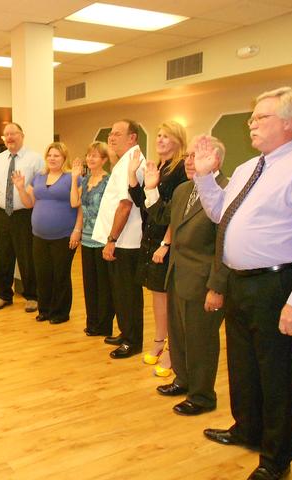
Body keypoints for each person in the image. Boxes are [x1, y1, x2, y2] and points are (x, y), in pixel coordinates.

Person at [194, 87, 292, 480]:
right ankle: (247, 429)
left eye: (260, 118)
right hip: (241, 283)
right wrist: (205, 178)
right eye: (252, 117)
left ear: (289, 123)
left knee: (275, 373)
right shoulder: (247, 168)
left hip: (277, 286)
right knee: (242, 366)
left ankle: (276, 458)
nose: (251, 123)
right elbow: (222, 214)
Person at [144, 135, 229, 416]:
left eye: (195, 155)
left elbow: (224, 245)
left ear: (215, 159)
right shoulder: (183, 190)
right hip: (178, 275)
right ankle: (183, 380)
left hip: (203, 280)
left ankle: (203, 395)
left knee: (201, 340)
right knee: (179, 335)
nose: (189, 161)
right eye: (189, 156)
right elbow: (161, 218)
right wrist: (152, 189)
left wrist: (216, 286)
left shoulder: (226, 191)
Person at [129, 121, 188, 377]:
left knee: (169, 299)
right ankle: (158, 341)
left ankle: (173, 352)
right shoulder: (159, 166)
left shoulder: (181, 168)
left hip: (167, 241)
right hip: (150, 237)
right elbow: (144, 203)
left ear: (178, 140)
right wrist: (133, 175)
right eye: (159, 135)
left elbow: (177, 211)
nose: (161, 140)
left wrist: (166, 243)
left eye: (166, 136)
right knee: (157, 296)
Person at [0, 122, 43, 312]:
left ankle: (32, 296)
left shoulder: (35, 159)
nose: (9, 137)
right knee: (1, 255)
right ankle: (3, 294)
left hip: (24, 214)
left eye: (13, 134)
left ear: (22, 135)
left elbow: (42, 187)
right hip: (1, 213)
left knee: (27, 256)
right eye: (6, 135)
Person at [91, 119, 145, 359]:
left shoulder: (134, 162)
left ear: (132, 137)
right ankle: (125, 333)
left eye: (117, 134)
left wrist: (112, 239)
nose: (111, 138)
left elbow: (125, 205)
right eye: (110, 134)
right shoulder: (124, 162)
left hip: (125, 241)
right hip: (118, 240)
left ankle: (133, 341)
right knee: (120, 293)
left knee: (128, 294)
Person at [12, 142, 80, 324]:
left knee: (60, 275)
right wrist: (20, 188)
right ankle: (45, 310)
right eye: (50, 155)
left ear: (64, 158)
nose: (52, 158)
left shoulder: (71, 178)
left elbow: (80, 206)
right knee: (42, 274)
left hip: (64, 235)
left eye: (57, 155)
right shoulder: (39, 178)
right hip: (39, 235)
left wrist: (77, 230)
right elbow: (29, 203)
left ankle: (60, 313)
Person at [70, 141, 114, 336]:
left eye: (95, 155)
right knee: (90, 284)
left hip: (102, 238)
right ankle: (92, 323)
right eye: (89, 155)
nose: (91, 158)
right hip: (87, 238)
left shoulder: (108, 180)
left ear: (104, 159)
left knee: (104, 285)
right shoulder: (86, 179)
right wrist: (74, 179)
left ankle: (104, 325)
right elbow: (75, 203)